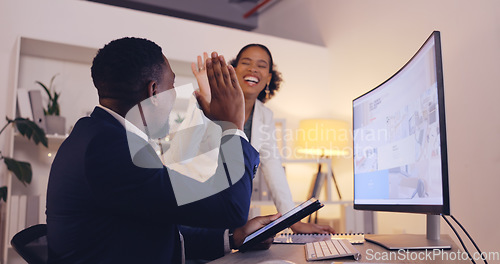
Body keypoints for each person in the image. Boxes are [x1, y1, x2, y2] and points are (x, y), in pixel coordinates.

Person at [46, 37, 278, 264]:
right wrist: (232, 126)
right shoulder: (110, 150)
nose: (175, 93)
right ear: (154, 92)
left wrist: (233, 238)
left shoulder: (98, 136)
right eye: (173, 85)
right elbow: (232, 209)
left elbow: (153, 230)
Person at [192, 44, 335, 234]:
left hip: (231, 213)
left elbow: (273, 168)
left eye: (261, 65)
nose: (253, 69)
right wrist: (209, 97)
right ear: (232, 70)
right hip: (195, 209)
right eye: (246, 62)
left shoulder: (265, 116)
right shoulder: (202, 103)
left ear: (268, 78)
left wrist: (294, 222)